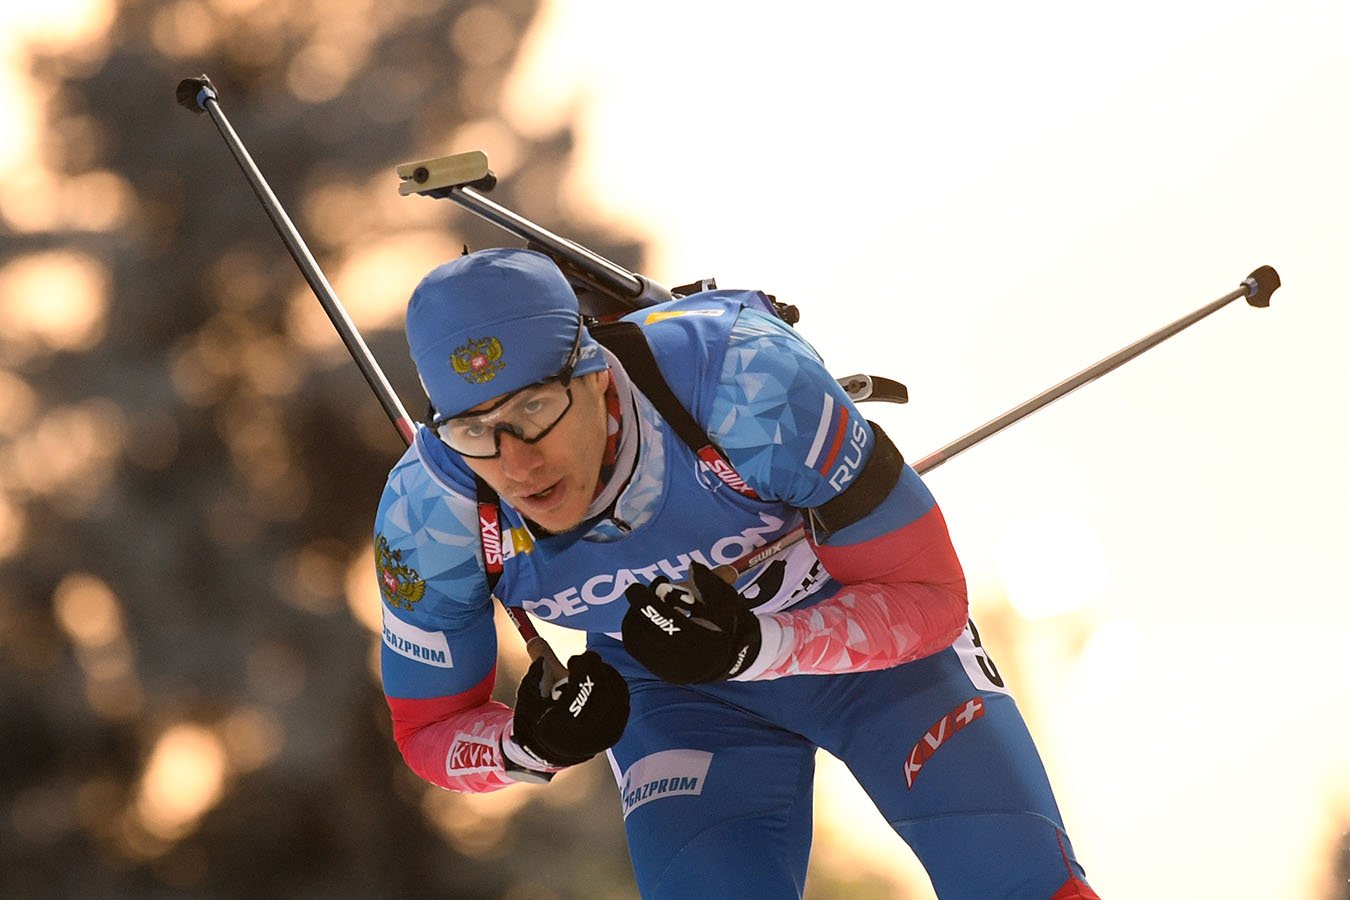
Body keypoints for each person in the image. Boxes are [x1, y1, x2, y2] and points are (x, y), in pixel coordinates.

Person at [373, 247, 1099, 900]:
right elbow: (427, 730)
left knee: (1022, 884)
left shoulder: (745, 383)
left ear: (594, 375)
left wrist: (760, 645)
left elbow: (930, 599)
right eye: (476, 431)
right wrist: (529, 744)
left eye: (536, 408)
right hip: (678, 694)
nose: (518, 463)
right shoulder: (429, 516)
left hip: (869, 647)